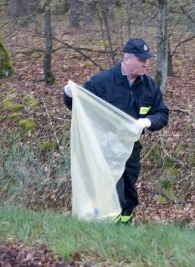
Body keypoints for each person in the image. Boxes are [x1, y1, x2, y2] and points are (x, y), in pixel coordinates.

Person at [63, 38, 169, 224]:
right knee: (108, 187)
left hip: (130, 147)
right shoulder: (103, 81)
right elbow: (81, 105)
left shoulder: (149, 87)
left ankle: (124, 223)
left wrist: (147, 121)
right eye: (141, 59)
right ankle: (101, 223)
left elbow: (162, 114)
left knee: (128, 188)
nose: (146, 63)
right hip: (103, 147)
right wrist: (69, 96)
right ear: (127, 59)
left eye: (147, 59)